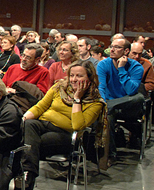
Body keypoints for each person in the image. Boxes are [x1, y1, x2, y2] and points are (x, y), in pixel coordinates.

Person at [21, 60, 106, 188]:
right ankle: (29, 174)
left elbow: (77, 126)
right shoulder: (60, 87)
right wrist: (23, 118)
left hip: (66, 135)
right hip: (42, 125)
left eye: (79, 76)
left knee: (29, 143)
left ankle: (26, 176)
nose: (74, 79)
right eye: (72, 75)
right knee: (28, 124)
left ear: (89, 77)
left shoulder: (95, 101)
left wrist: (77, 98)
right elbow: (40, 107)